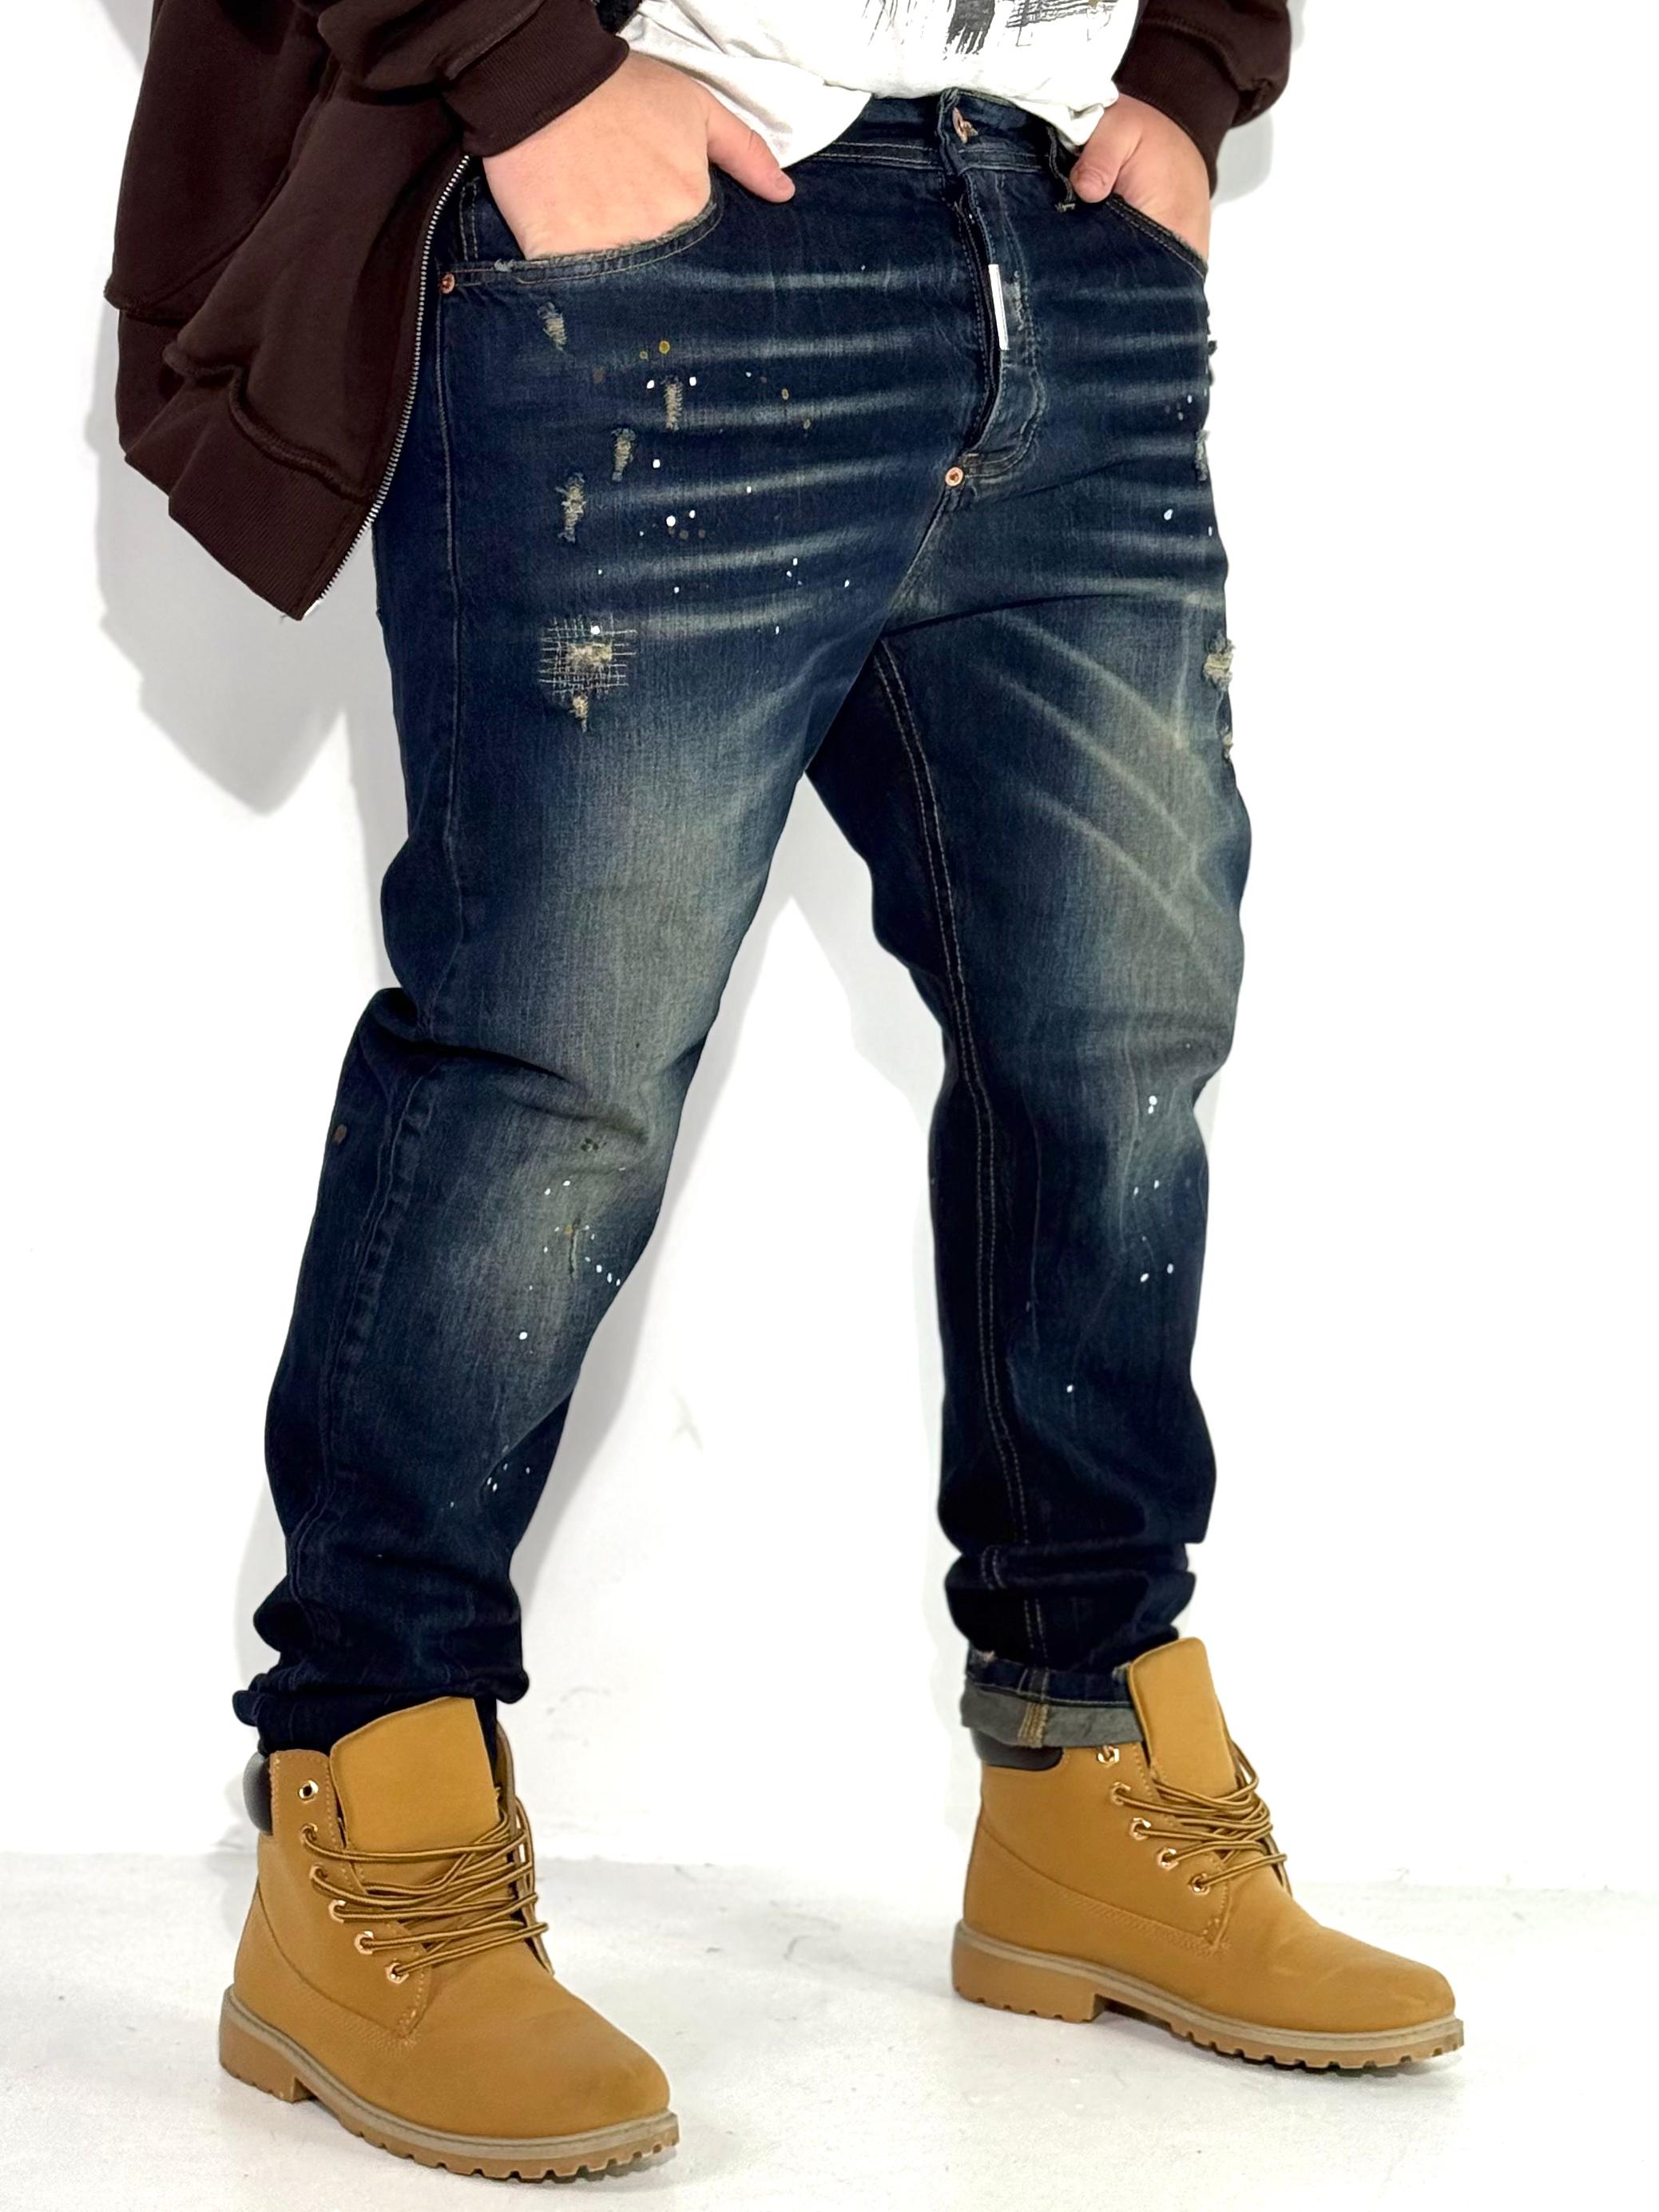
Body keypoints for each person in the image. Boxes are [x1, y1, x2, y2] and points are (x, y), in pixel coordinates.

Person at [109, 0, 1460, 2182]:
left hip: (1060, 231)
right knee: (559, 1053)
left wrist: (1193, 66)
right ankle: (372, 1815)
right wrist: (522, 68)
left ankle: (1089, 1771)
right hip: (669, 227)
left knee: (1117, 1030)